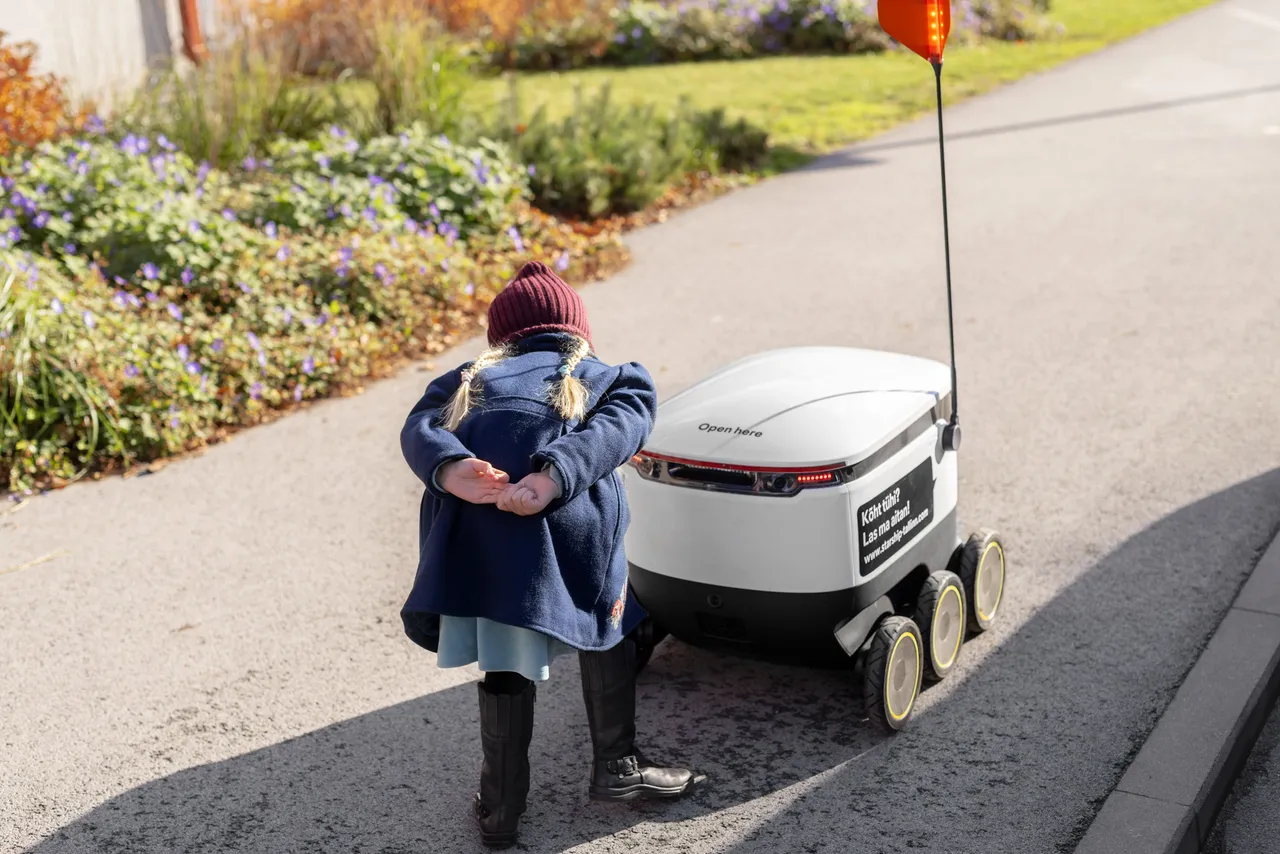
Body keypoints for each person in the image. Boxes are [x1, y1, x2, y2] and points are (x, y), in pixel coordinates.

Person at [399, 260, 705, 849]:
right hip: (572, 536)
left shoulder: (464, 380)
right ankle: (616, 768)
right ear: (576, 331)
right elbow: (619, 427)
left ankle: (501, 806)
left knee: (507, 654)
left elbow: (418, 427)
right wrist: (554, 477)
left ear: (501, 338)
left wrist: (451, 467)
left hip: (483, 549)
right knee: (605, 623)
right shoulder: (610, 375)